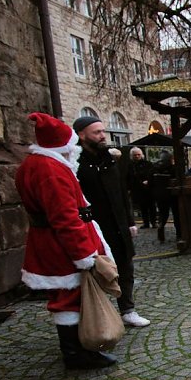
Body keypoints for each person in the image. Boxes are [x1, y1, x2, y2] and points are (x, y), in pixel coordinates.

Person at [16, 113, 116, 368]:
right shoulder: (51, 170)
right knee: (69, 298)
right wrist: (84, 255)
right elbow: (65, 219)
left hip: (50, 242)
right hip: (61, 248)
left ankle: (78, 350)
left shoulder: (34, 165)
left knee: (67, 297)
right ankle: (77, 353)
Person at [73, 115, 150, 328]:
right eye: (96, 132)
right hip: (94, 226)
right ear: (82, 135)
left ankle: (127, 310)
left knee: (125, 267)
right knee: (96, 270)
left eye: (102, 131)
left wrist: (130, 221)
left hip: (118, 225)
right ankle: (97, 315)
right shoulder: (77, 162)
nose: (102, 136)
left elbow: (122, 194)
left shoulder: (109, 160)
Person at [152, 150, 181, 243]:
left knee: (163, 215)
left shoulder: (155, 168)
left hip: (160, 195)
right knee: (176, 215)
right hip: (172, 195)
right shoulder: (173, 168)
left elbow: (150, 182)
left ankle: (161, 232)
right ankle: (179, 235)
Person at [129, 147, 156, 228]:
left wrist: (148, 181)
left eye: (138, 155)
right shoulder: (130, 166)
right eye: (135, 155)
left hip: (149, 189)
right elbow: (130, 178)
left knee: (152, 207)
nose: (137, 156)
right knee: (143, 208)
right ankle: (146, 223)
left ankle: (154, 222)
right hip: (138, 190)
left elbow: (152, 174)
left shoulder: (148, 164)